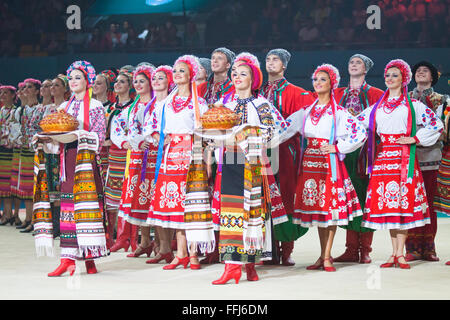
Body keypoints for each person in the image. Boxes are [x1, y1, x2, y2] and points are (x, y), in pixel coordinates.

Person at [279, 64, 367, 272]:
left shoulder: (339, 113)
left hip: (329, 164)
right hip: (310, 164)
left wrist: (338, 147)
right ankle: (322, 255)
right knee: (319, 212)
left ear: (332, 84)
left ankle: (327, 256)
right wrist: (260, 141)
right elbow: (284, 129)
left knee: (331, 210)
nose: (318, 83)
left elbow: (359, 134)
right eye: (315, 80)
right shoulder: (306, 111)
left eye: (322, 80)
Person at [357, 59, 443, 269]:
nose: (389, 78)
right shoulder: (377, 107)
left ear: (404, 78)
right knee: (390, 206)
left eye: (395, 75)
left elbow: (436, 124)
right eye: (387, 75)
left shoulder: (413, 105)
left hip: (404, 160)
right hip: (384, 160)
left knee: (403, 206)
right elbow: (355, 124)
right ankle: (394, 253)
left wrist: (415, 138)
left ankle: (401, 254)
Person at [211, 54, 289, 284]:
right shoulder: (225, 103)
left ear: (253, 78)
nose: (236, 77)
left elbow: (275, 131)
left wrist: (247, 134)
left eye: (242, 73)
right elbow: (213, 130)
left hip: (252, 162)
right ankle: (232, 266)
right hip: (231, 160)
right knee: (231, 214)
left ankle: (251, 264)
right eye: (234, 73)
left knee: (253, 213)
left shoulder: (262, 104)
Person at [34, 60, 107, 276]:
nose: (74, 81)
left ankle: (89, 257)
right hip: (68, 160)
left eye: (79, 78)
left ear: (88, 81)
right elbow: (56, 141)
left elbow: (100, 139)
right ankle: (67, 258)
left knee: (87, 208)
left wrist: (79, 135)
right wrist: (44, 141)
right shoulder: (63, 108)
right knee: (68, 209)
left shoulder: (95, 106)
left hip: (86, 160)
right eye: (72, 78)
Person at [146, 55, 209, 270]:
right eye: (176, 71)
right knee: (175, 204)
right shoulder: (165, 104)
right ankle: (180, 252)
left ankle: (192, 253)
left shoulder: (199, 103)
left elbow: (206, 132)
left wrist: (204, 156)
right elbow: (152, 128)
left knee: (190, 203)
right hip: (170, 155)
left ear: (191, 74)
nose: (178, 74)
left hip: (191, 154)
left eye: (182, 70)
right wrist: (160, 139)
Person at [261, 48, 315, 266]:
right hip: (261, 153)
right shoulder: (256, 91)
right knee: (264, 199)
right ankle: (268, 249)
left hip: (285, 154)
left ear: (284, 65)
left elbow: (305, 124)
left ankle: (287, 250)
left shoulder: (297, 93)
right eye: (268, 59)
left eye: (276, 60)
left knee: (285, 197)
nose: (271, 62)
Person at [333, 54, 384, 264]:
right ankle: (351, 248)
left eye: (358, 63)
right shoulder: (337, 93)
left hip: (366, 153)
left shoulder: (377, 94)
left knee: (365, 199)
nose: (353, 65)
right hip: (343, 152)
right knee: (346, 198)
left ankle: (366, 249)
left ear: (366, 69)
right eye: (351, 62)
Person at [409, 61, 450, 262]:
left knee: (430, 204)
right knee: (410, 204)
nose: (420, 73)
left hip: (433, 158)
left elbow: (443, 129)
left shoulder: (443, 99)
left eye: (425, 71)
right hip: (408, 159)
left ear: (432, 77)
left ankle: (429, 247)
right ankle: (412, 248)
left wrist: (421, 136)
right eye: (417, 71)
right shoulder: (405, 98)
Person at [116, 64, 157, 258]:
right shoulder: (132, 107)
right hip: (135, 158)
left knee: (152, 199)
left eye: (143, 81)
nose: (139, 84)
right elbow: (117, 128)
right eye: (136, 82)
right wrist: (126, 143)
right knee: (139, 200)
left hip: (153, 157)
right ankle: (145, 242)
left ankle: (159, 244)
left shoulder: (158, 104)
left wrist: (146, 141)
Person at [104, 71, 136, 251]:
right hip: (111, 155)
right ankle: (111, 236)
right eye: (116, 81)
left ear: (129, 86)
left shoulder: (133, 107)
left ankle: (128, 238)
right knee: (111, 196)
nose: (117, 84)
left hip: (129, 153)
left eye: (122, 82)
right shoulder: (110, 108)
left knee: (127, 194)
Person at [16, 78, 42, 233]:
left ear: (37, 91)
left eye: (29, 87)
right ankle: (28, 218)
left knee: (35, 185)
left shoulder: (39, 109)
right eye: (24, 87)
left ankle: (35, 219)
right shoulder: (23, 110)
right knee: (25, 186)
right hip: (24, 150)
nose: (25, 89)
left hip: (36, 151)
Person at [0, 85, 17, 225]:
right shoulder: (1, 111)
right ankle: (6, 213)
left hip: (10, 150)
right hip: (1, 149)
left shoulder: (16, 111)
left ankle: (9, 213)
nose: (3, 95)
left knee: (8, 182)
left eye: (6, 93)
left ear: (13, 95)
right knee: (2, 182)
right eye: (1, 93)